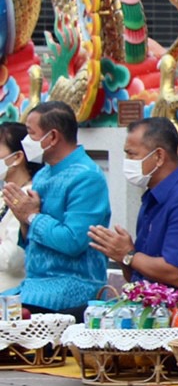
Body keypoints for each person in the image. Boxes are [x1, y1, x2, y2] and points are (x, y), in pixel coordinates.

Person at [1, 102, 108, 318]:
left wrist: (31, 216)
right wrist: (24, 221)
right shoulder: (43, 175)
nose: (26, 142)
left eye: (31, 134)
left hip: (71, 286)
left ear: (52, 137)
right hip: (33, 285)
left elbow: (73, 242)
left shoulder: (87, 177)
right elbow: (30, 240)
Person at [88, 117, 178, 303]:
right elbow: (139, 276)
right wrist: (122, 256)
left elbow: (177, 273)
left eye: (132, 154)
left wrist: (128, 255)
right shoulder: (152, 196)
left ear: (159, 156)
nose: (127, 162)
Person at [0, 123, 38, 293]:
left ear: (17, 157)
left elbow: (11, 258)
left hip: (11, 295)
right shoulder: (5, 193)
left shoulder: (26, 197)